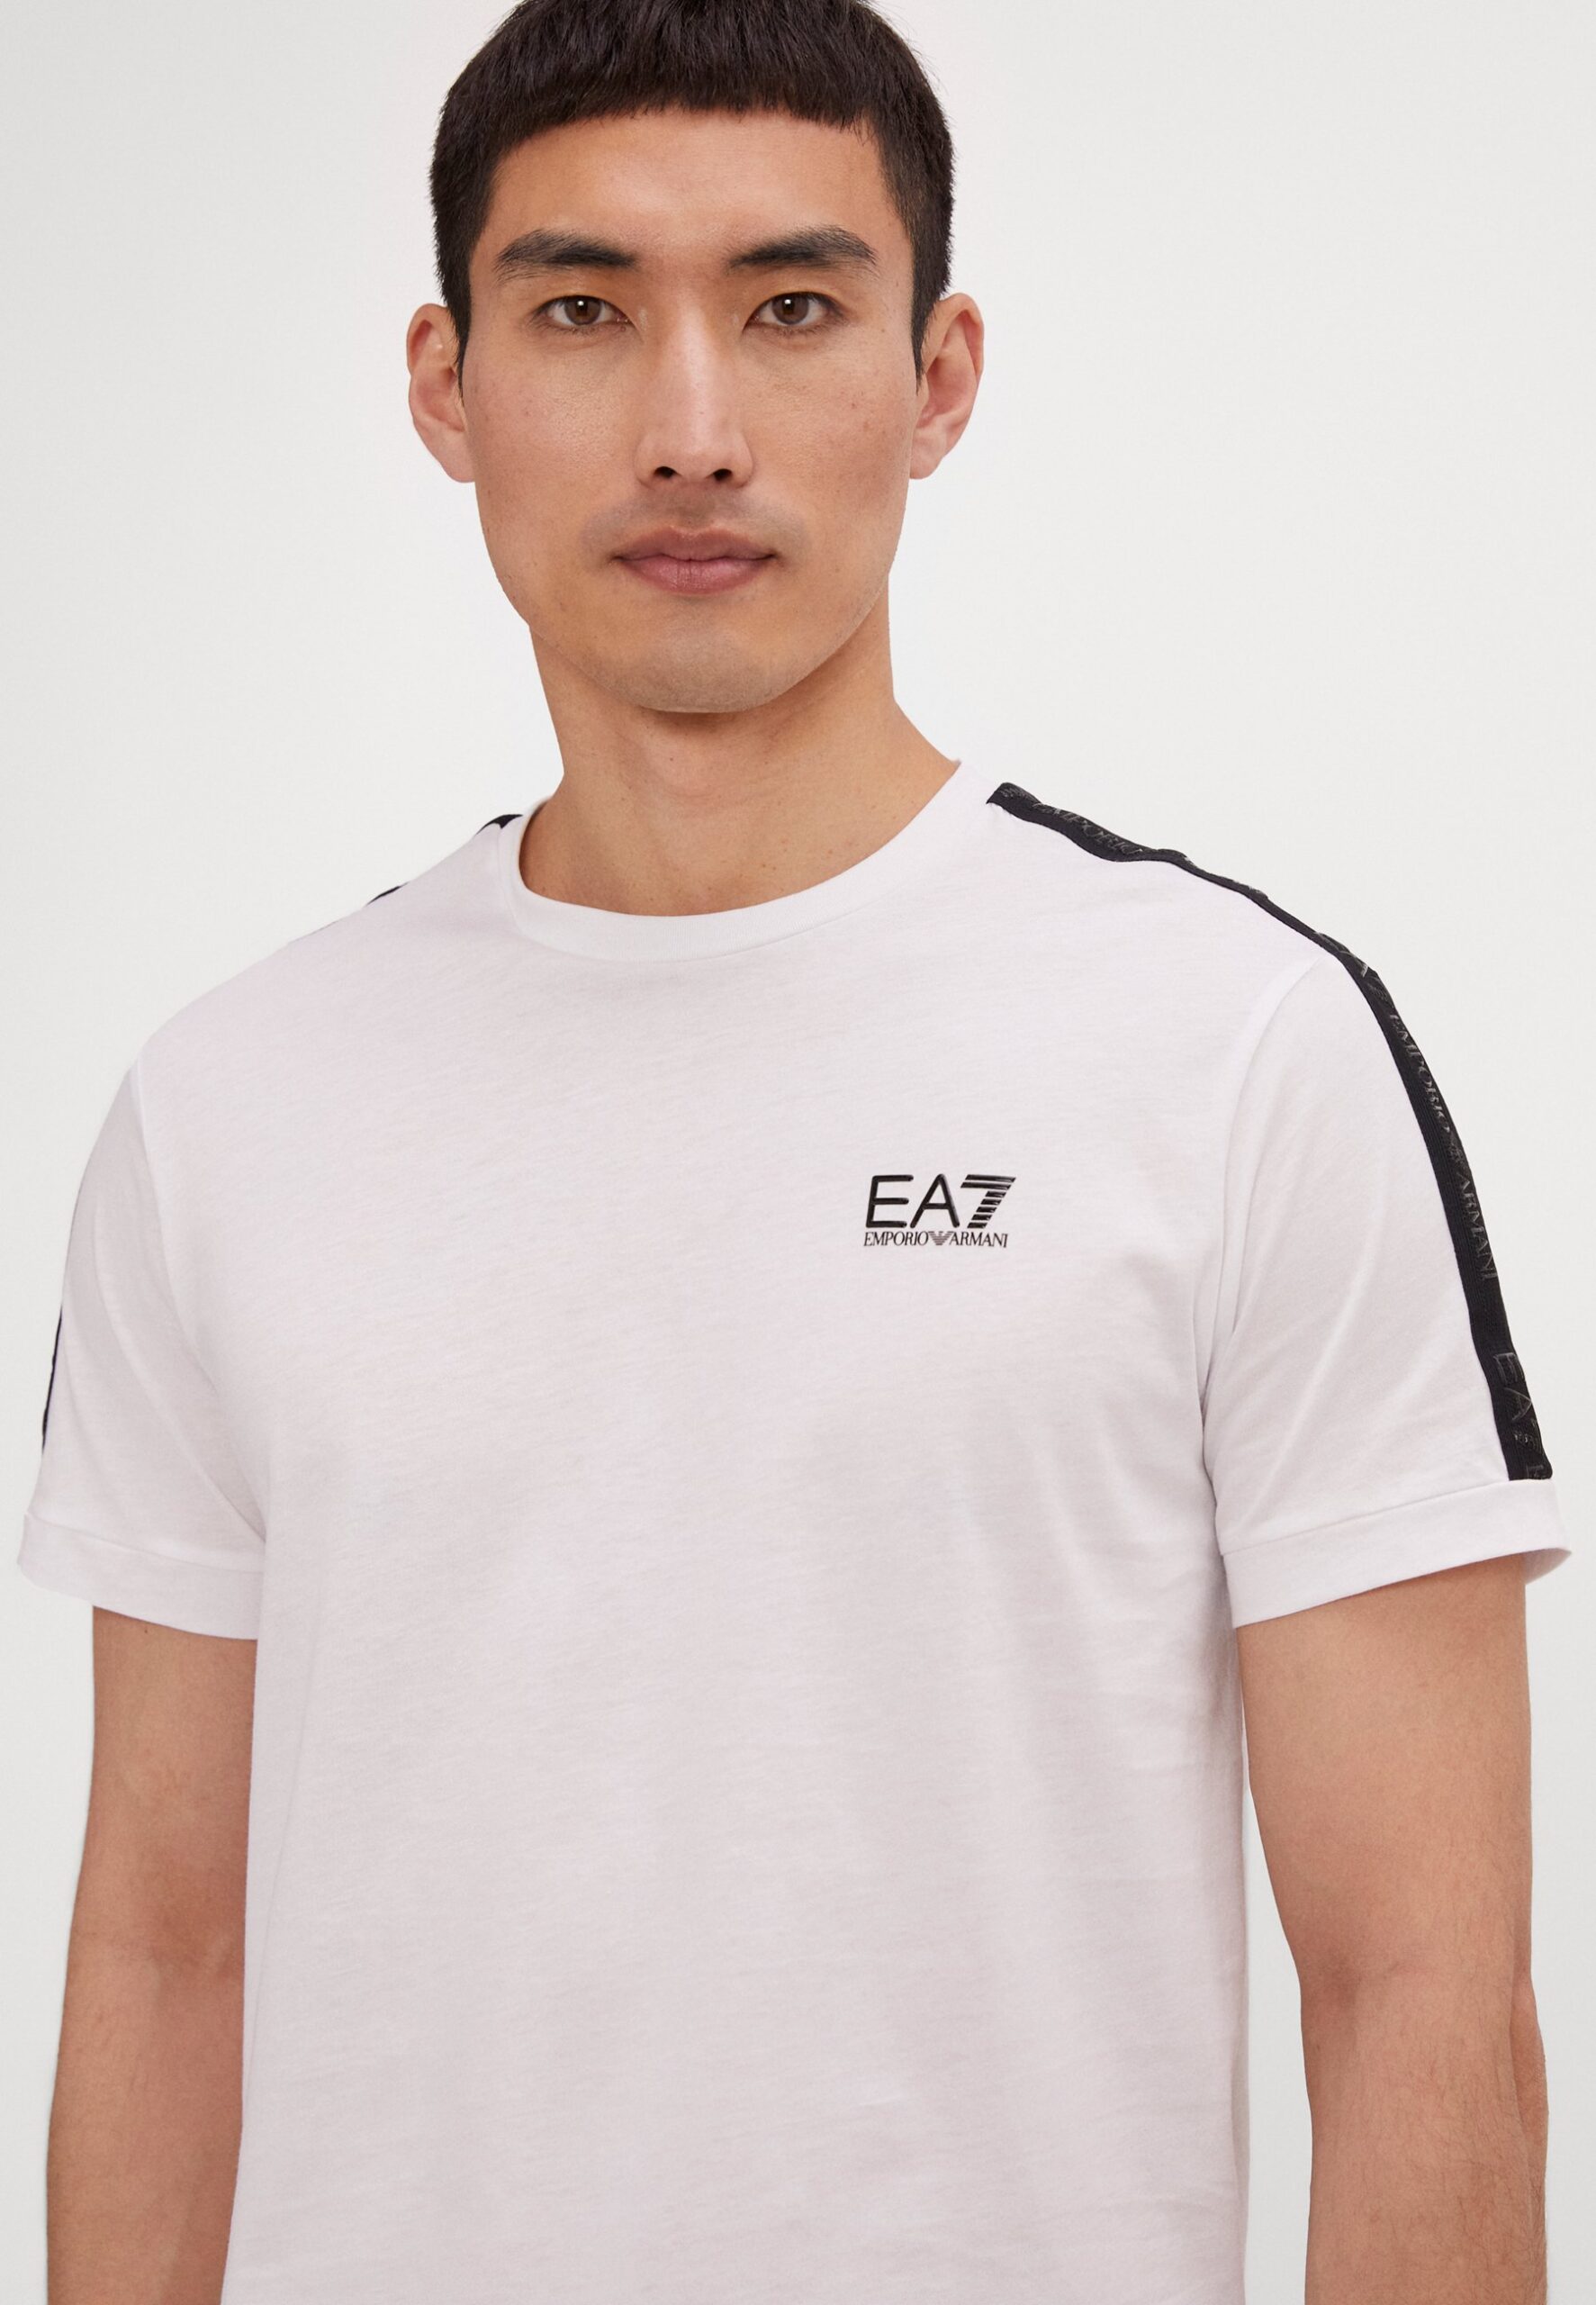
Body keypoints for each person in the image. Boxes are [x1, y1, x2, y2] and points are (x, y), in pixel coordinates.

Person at [18, 3, 1573, 2300]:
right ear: (445, 385)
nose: (691, 427)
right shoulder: (228, 1103)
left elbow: (1417, 1990)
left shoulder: (1237, 1050)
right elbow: (166, 1949)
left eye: (789, 307)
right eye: (580, 310)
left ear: (936, 376)